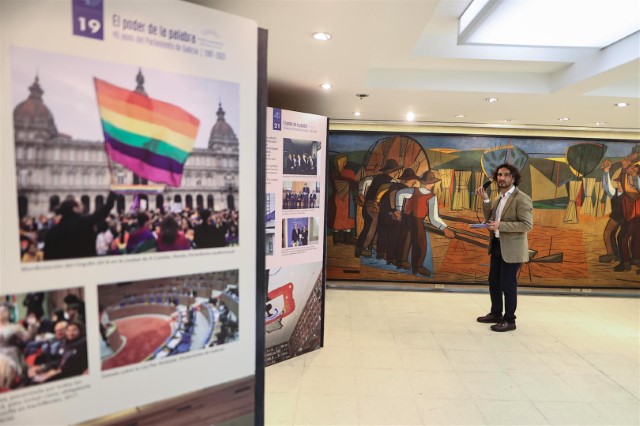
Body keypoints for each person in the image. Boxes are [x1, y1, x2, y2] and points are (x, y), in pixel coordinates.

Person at [474, 163, 533, 332]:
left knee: (507, 285)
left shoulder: (522, 198)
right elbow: (490, 218)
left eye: (506, 175)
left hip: (512, 249)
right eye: (499, 175)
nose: (502, 178)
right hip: (497, 245)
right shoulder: (498, 198)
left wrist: (501, 225)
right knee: (494, 282)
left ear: (513, 178)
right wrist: (485, 200)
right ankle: (496, 314)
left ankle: (510, 320)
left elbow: (527, 225)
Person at [394, 171, 455, 276]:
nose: (433, 184)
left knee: (411, 241)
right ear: (424, 182)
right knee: (417, 243)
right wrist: (445, 229)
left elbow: (399, 194)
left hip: (411, 220)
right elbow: (434, 218)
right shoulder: (425, 195)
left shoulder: (421, 193)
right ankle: (414, 266)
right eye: (431, 182)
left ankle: (408, 263)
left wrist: (398, 209)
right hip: (412, 220)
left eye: (433, 182)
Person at [43, 191, 116, 260]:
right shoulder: (84, 223)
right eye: (80, 204)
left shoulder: (52, 232)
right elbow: (103, 211)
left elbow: (48, 257)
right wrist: (113, 193)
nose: (83, 205)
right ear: (74, 208)